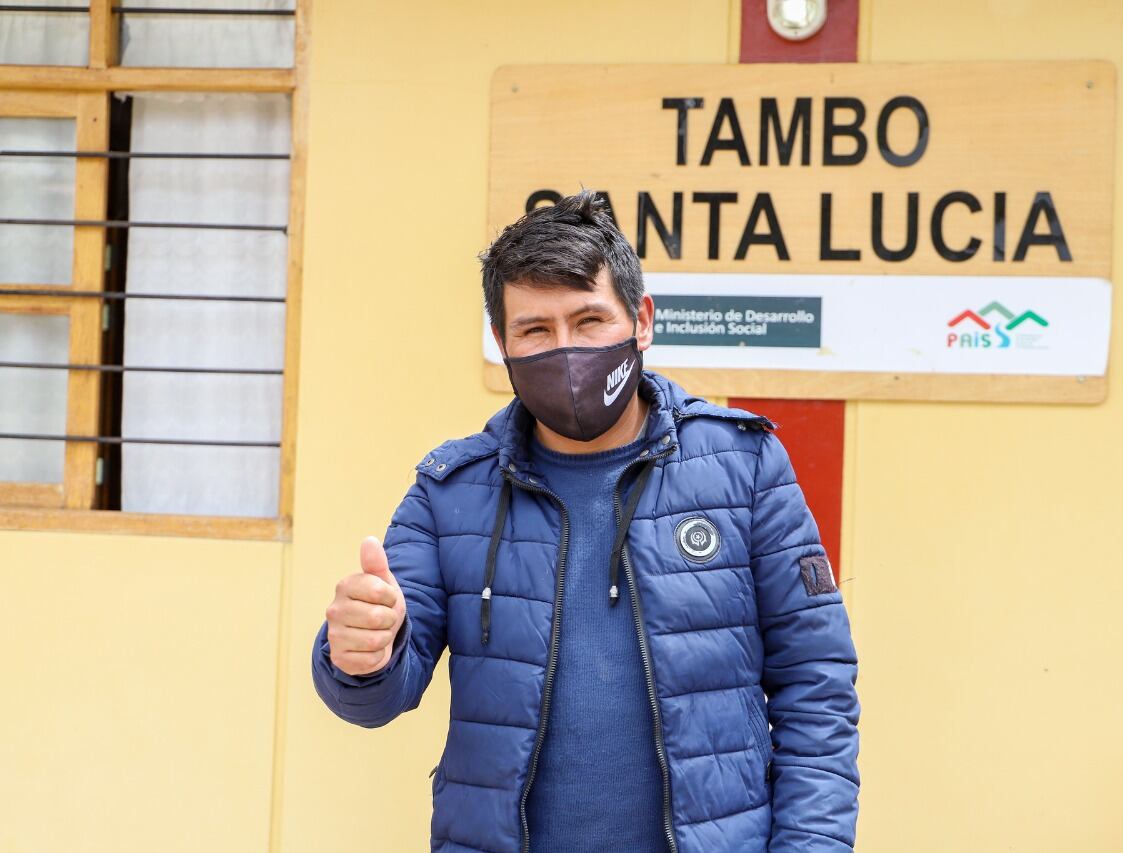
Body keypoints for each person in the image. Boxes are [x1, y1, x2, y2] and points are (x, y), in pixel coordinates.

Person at [311, 189, 861, 852]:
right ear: (502, 342)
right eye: (536, 330)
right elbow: (375, 696)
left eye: (590, 320)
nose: (566, 351)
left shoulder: (744, 467)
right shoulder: (448, 493)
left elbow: (817, 691)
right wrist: (359, 654)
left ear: (642, 320)